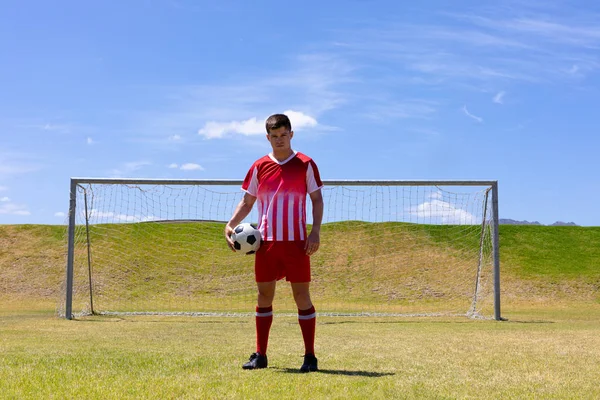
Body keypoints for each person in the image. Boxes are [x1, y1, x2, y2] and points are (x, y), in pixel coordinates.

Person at [225, 113, 324, 373]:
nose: (279, 140)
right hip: (266, 243)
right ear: (267, 137)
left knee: (302, 296)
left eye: (283, 135)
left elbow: (316, 199)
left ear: (291, 135)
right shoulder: (259, 166)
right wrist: (229, 224)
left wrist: (315, 232)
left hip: (296, 243)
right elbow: (248, 202)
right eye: (274, 136)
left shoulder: (305, 164)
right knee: (264, 295)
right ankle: (261, 355)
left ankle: (310, 357)